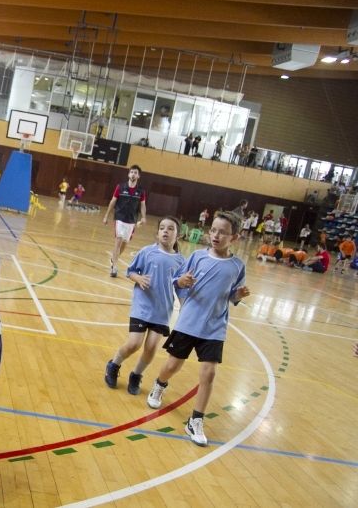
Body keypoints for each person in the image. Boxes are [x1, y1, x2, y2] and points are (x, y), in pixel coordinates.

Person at [146, 211, 250, 447]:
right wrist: (180, 282)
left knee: (209, 374)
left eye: (223, 232)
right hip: (189, 322)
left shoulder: (236, 266)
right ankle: (159, 385)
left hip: (215, 327)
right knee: (172, 365)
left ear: (234, 238)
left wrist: (238, 295)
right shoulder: (197, 257)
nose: (216, 235)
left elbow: (232, 296)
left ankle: (195, 420)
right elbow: (178, 282)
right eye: (213, 230)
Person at [104, 216, 185, 394]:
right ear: (157, 233)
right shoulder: (147, 252)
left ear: (178, 235)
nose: (165, 231)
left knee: (150, 349)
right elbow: (130, 271)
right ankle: (114, 364)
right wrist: (138, 278)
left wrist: (185, 307)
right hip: (142, 307)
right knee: (134, 344)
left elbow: (180, 288)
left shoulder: (180, 261)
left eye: (170, 228)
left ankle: (136, 375)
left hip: (162, 311)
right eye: (162, 228)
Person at [102, 165, 147, 278]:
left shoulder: (141, 191)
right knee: (118, 240)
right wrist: (106, 215)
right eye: (131, 172)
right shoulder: (120, 187)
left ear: (138, 176)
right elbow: (113, 201)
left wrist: (144, 217)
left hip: (131, 220)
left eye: (135, 172)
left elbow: (142, 205)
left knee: (124, 244)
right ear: (128, 174)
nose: (133, 174)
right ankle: (114, 267)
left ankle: (114, 259)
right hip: (120, 218)